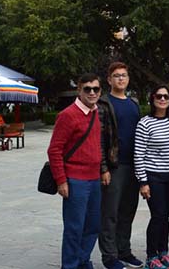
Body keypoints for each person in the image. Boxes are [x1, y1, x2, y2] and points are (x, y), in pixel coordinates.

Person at [48, 73, 103, 269]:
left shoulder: (96, 112)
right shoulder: (68, 115)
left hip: (94, 179)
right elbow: (54, 150)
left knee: (93, 226)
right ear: (79, 90)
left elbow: (96, 145)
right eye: (87, 89)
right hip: (75, 180)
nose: (91, 92)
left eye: (95, 89)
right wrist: (61, 181)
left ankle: (82, 260)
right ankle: (70, 265)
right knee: (74, 228)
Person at [99, 62, 144, 269]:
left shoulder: (133, 103)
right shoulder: (103, 103)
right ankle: (110, 256)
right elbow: (98, 139)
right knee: (110, 213)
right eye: (116, 76)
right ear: (109, 80)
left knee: (128, 211)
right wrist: (104, 168)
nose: (120, 79)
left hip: (133, 166)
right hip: (114, 166)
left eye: (124, 75)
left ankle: (124, 251)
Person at [135, 85, 169, 269]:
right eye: (159, 96)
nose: (162, 99)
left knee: (165, 216)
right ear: (152, 98)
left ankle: (163, 251)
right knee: (158, 215)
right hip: (153, 177)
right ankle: (151, 255)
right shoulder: (145, 123)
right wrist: (143, 182)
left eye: (166, 96)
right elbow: (138, 154)